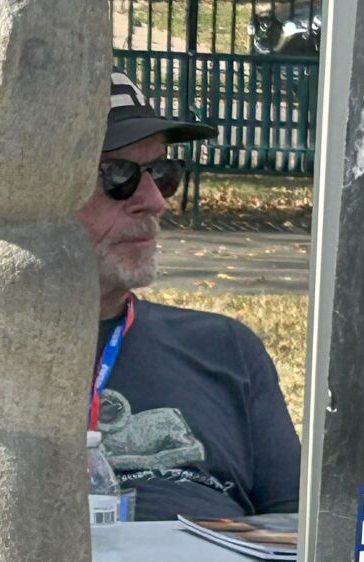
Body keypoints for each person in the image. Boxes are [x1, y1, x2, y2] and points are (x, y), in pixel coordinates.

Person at [76, 72, 301, 522]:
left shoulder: (225, 347)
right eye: (118, 175)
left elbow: (295, 529)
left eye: (161, 172)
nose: (154, 199)